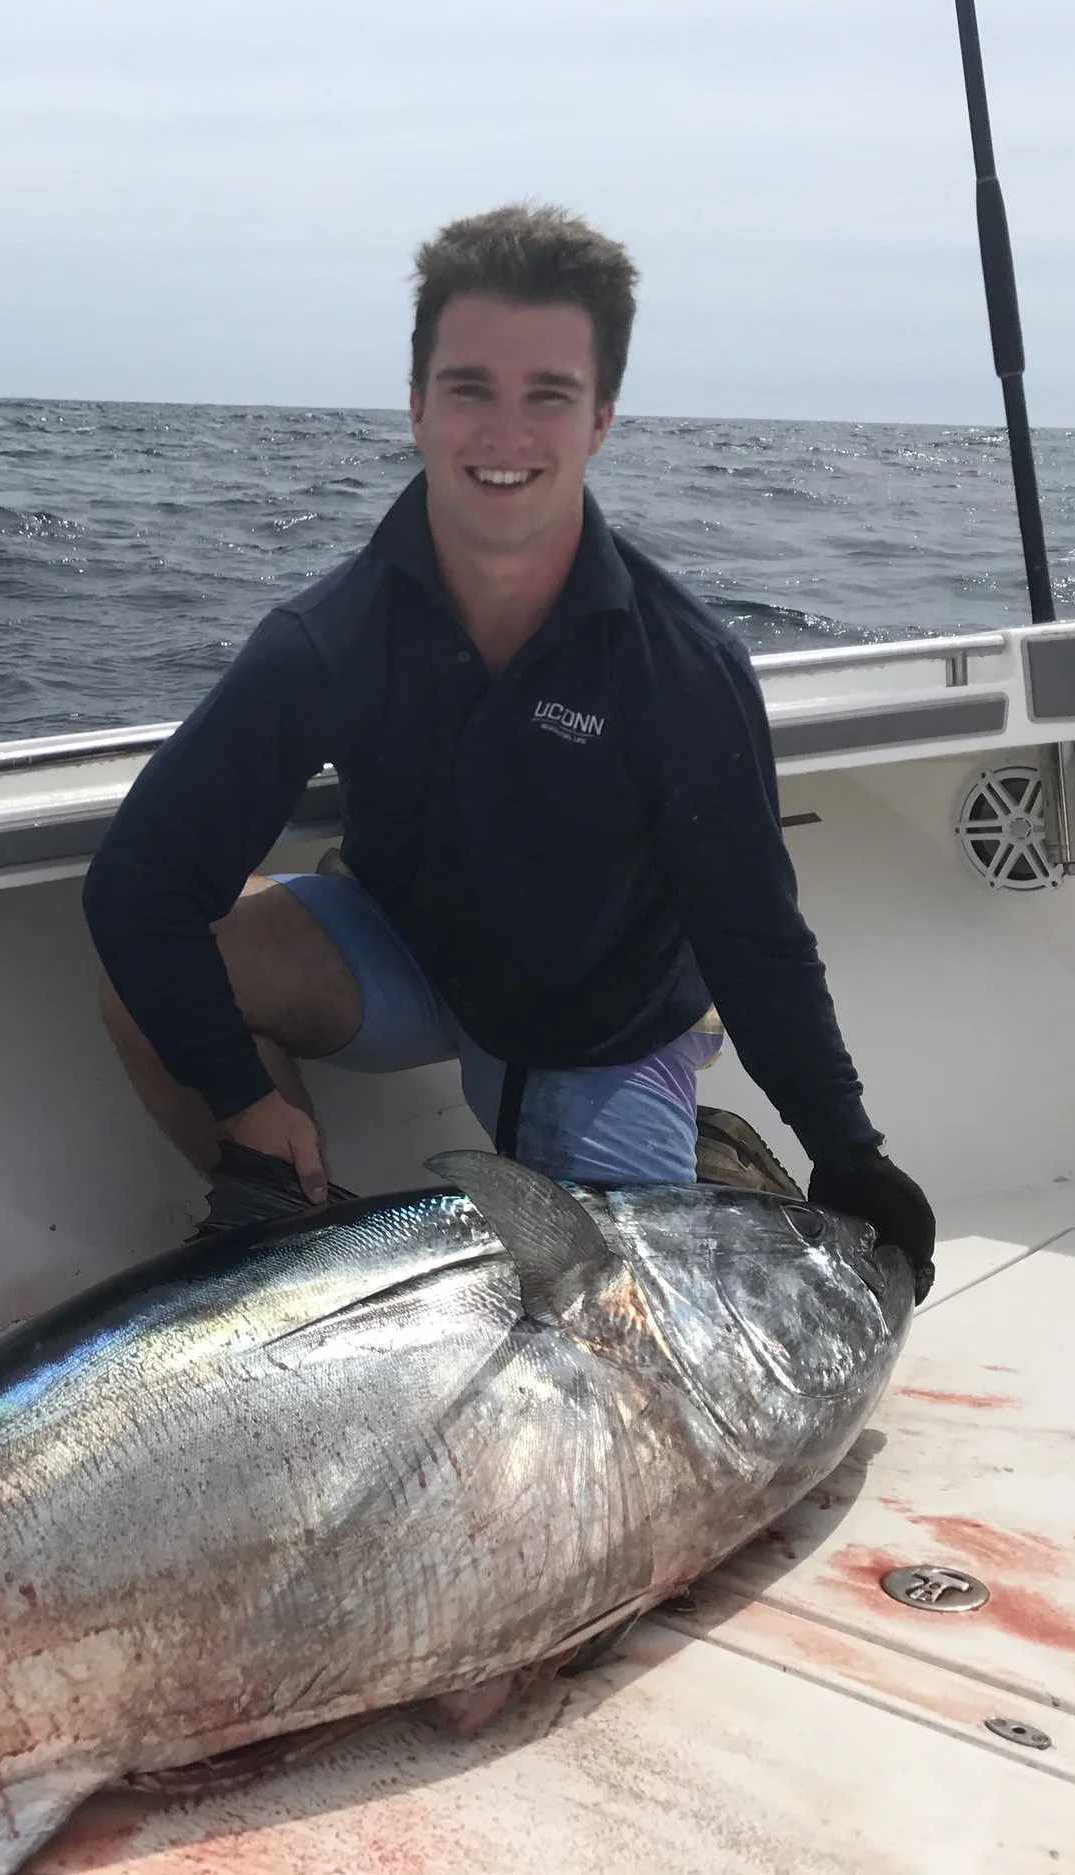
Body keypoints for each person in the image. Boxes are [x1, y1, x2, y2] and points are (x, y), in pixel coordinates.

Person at [81, 204, 936, 1297]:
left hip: (600, 1022)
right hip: (412, 953)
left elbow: (752, 934)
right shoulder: (331, 640)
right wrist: (241, 1102)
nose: (505, 432)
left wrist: (844, 1144)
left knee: (627, 1332)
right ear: (417, 408)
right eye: (470, 389)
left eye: (549, 396)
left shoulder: (676, 665)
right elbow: (140, 889)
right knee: (151, 979)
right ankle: (305, 1264)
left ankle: (702, 1149)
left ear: (601, 421)